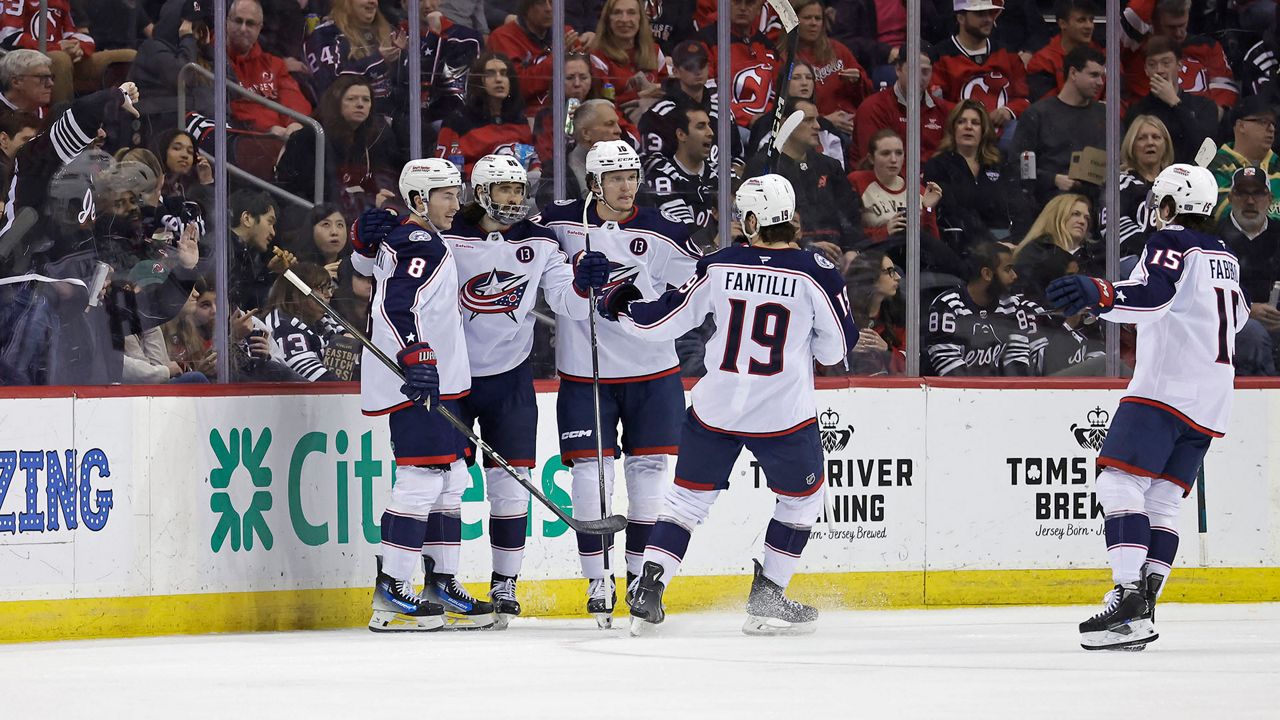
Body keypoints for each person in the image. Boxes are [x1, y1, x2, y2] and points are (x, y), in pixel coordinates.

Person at [599, 173, 857, 636]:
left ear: (754, 220)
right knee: (802, 501)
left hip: (715, 409)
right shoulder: (816, 271)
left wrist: (620, 303)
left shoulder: (719, 264)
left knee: (684, 502)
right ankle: (768, 597)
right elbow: (836, 349)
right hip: (782, 415)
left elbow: (662, 323)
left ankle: (649, 588)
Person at [1046, 163, 1249, 650]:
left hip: (1166, 388)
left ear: (1169, 206)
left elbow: (1155, 297)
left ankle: (1127, 600)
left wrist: (1102, 292)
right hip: (1213, 397)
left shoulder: (1171, 240)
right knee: (1161, 500)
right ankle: (1145, 611)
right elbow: (1238, 317)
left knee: (1118, 481)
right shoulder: (1225, 255)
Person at [534, 140, 700, 627]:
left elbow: (697, 287)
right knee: (590, 473)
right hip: (586, 375)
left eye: (631, 177)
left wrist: (656, 312)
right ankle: (597, 581)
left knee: (649, 473)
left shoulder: (664, 230)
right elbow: (509, 238)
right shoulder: (560, 222)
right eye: (615, 178)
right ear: (594, 183)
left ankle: (640, 582)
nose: (627, 187)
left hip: (654, 371)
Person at [437, 155, 606, 627]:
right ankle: (441, 580)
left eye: (519, 189)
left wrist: (584, 286)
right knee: (444, 481)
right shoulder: (446, 237)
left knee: (510, 485)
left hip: (510, 378)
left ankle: (504, 583)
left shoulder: (540, 240)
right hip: (452, 376)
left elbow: (567, 303)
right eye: (505, 189)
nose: (515, 198)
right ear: (480, 192)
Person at [353, 158, 490, 631]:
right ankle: (392, 588)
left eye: (456, 193)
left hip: (438, 379)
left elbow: (374, 271)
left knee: (451, 478)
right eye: (445, 195)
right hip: (417, 380)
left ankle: (440, 583)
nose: (455, 203)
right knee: (422, 478)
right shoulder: (418, 242)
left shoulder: (421, 238)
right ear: (417, 200)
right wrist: (416, 355)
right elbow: (397, 304)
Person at [744, 97, 863, 257]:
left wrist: (853, 251)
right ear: (785, 123)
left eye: (817, 119)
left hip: (839, 255)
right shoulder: (764, 168)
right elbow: (757, 227)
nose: (817, 126)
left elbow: (850, 215)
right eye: (808, 120)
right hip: (788, 257)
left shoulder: (830, 166)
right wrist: (805, 247)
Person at [275, 76, 400, 218]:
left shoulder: (370, 139)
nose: (360, 104)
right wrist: (366, 199)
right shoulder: (311, 136)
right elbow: (312, 191)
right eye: (351, 99)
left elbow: (375, 179)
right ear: (336, 103)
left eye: (366, 99)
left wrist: (379, 193)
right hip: (310, 216)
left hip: (350, 214)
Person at [925, 241, 1047, 376]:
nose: (1014, 276)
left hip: (1003, 389)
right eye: (1007, 270)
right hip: (959, 390)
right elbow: (950, 370)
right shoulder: (947, 306)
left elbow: (1019, 366)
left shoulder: (1015, 307)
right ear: (987, 274)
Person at [1011, 45, 1107, 206]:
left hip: (1098, 202)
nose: (1100, 82)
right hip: (1050, 201)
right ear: (1073, 73)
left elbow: (1121, 160)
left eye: (1102, 76)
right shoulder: (1038, 114)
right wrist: (1053, 179)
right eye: (1094, 75)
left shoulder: (1105, 115)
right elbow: (1017, 165)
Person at [925, 99, 1028, 247]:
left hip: (1005, 241)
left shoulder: (1000, 164)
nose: (968, 127)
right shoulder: (938, 166)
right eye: (961, 122)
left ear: (983, 130)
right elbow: (952, 213)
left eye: (975, 123)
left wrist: (1019, 245)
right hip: (959, 243)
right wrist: (993, 246)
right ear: (953, 128)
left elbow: (1018, 207)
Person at [1119, 0, 1238, 119]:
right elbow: (1134, 15)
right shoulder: (1136, 48)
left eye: (1182, 25)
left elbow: (1224, 95)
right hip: (1149, 123)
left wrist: (1203, 121)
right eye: (1171, 27)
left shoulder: (1208, 48)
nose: (1179, 33)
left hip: (1200, 124)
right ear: (1153, 21)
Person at [930, 0, 1029, 140]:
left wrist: (1009, 110)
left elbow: (1025, 99)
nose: (988, 19)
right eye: (980, 14)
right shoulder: (940, 57)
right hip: (958, 135)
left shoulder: (1008, 54)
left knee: (1015, 133)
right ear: (961, 18)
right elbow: (935, 102)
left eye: (990, 13)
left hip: (1002, 135)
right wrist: (967, 115)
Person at [1218, 166, 1280, 376]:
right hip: (1233, 328)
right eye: (1242, 193)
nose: (1250, 201)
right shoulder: (1211, 240)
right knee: (1252, 333)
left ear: (1270, 199)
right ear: (1230, 198)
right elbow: (1203, 296)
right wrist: (1246, 310)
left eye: (1258, 193)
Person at [434, 52, 537, 177]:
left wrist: (535, 171)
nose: (498, 79)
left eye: (504, 73)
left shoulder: (519, 119)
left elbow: (532, 161)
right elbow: (445, 171)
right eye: (490, 74)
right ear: (479, 80)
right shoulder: (457, 122)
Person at [1122, 36, 1220, 166]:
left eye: (1166, 63)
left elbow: (1206, 149)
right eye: (1152, 65)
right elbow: (1129, 152)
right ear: (1146, 70)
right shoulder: (1137, 110)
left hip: (1191, 173)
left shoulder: (1203, 105)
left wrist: (1175, 103)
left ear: (1179, 65)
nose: (1159, 70)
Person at [487, 0, 594, 116]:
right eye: (541, 2)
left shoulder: (565, 34)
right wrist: (556, 58)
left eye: (552, 2)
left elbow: (586, 79)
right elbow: (516, 88)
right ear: (526, 7)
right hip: (524, 117)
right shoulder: (503, 38)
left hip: (570, 112)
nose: (549, 9)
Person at [853, 46, 953, 166]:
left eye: (925, 72)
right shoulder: (873, 107)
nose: (918, 77)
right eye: (913, 70)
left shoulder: (943, 110)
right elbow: (876, 162)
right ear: (898, 69)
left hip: (931, 176)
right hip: (885, 175)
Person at [638, 102, 719, 251]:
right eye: (701, 126)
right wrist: (720, 238)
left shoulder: (721, 172)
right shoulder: (662, 174)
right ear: (681, 134)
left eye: (709, 125)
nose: (710, 132)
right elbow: (683, 233)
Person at [226, 0, 311, 138]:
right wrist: (267, 130)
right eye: (238, 21)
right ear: (227, 22)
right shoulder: (213, 60)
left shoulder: (274, 64)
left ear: (259, 28)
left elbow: (293, 98)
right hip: (244, 138)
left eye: (250, 23)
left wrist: (294, 123)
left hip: (281, 138)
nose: (243, 29)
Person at [848, 129, 942, 247]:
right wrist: (885, 231)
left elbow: (933, 241)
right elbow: (849, 233)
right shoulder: (857, 181)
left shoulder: (919, 190)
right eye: (886, 153)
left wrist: (928, 209)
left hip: (913, 252)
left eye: (899, 153)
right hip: (875, 252)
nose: (893, 160)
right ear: (871, 158)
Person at [262, 262, 351, 382]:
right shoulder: (283, 326)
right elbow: (317, 379)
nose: (329, 294)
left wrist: (350, 345)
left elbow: (352, 346)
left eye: (330, 288)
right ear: (296, 293)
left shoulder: (323, 318)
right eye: (322, 288)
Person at [304, 0, 399, 112]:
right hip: (344, 118)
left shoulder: (389, 32)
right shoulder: (325, 35)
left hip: (393, 116)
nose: (373, 2)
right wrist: (378, 60)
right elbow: (333, 85)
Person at [793, 0, 870, 134]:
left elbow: (867, 90)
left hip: (851, 123)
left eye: (818, 18)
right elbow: (788, 108)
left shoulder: (838, 49)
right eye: (807, 18)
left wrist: (858, 80)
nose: (813, 23)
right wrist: (824, 120)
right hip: (815, 129)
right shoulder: (786, 57)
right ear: (794, 21)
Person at [1109, 114, 1174, 255]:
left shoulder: (1178, 187)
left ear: (1166, 145)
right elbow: (1113, 227)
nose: (1150, 142)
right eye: (1142, 138)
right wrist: (1155, 250)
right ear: (1131, 145)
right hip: (1134, 260)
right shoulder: (1120, 183)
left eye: (1156, 137)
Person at [1207, 95, 1279, 221]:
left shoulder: (1277, 164)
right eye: (1263, 122)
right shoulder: (1214, 166)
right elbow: (1226, 215)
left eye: (1273, 123)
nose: (1271, 129)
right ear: (1241, 126)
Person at [590, 0, 668, 111]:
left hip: (656, 115)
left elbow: (667, 91)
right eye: (617, 12)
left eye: (631, 12)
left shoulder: (654, 51)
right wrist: (641, 95)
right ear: (607, 19)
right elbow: (604, 105)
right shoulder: (597, 56)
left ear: (640, 18)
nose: (624, 19)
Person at [843, 249, 905, 375]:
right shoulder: (841, 314)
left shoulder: (898, 315)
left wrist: (887, 350)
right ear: (871, 276)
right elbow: (820, 365)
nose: (898, 277)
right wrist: (844, 349)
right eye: (890, 272)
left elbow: (910, 367)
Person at [1027, 0, 1103, 102]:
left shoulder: (1106, 55)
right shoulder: (1042, 61)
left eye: (1091, 20)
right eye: (1081, 20)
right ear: (1062, 24)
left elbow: (1119, 99)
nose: (1089, 26)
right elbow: (1047, 105)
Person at [0, 50, 54, 119]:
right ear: (16, 82)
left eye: (50, 77)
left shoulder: (56, 116)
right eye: (42, 78)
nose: (51, 84)